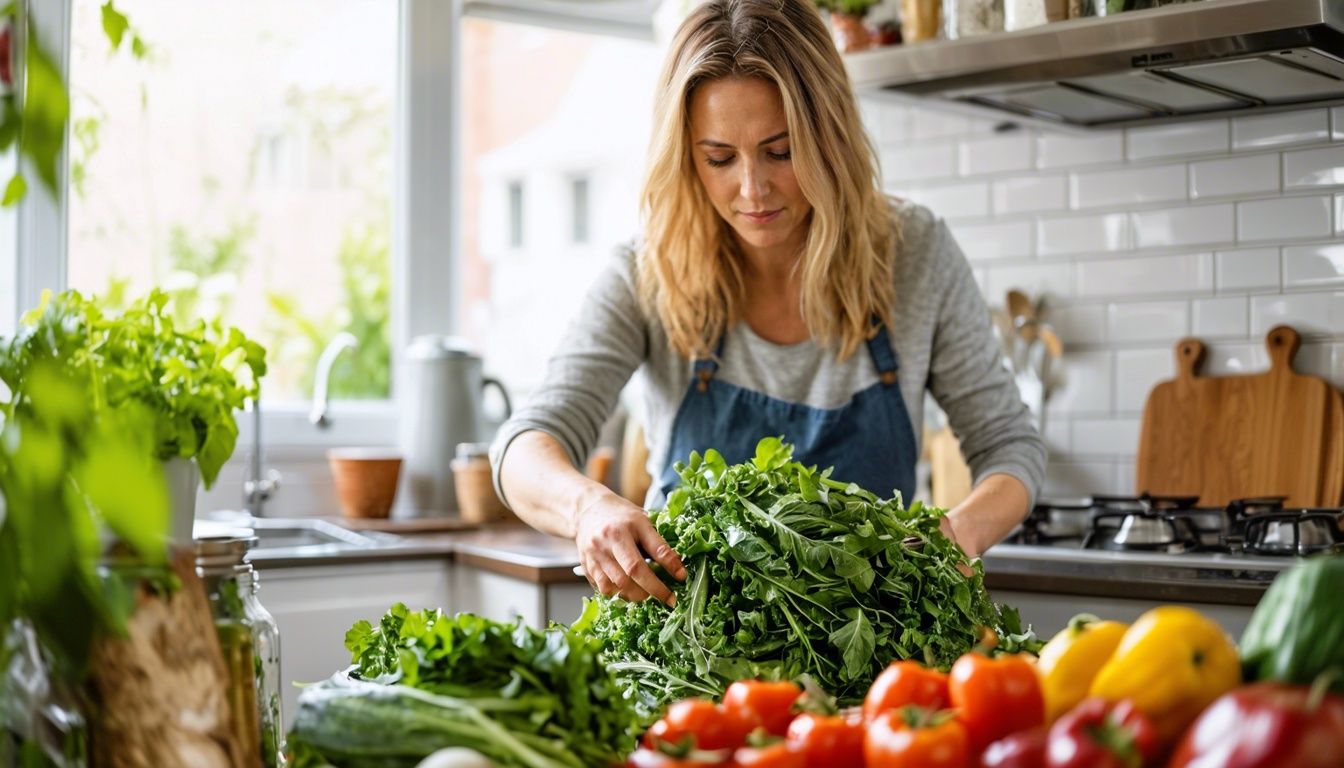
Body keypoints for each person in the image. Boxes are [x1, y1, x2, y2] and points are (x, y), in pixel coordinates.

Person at [490, 0, 1045, 608]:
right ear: (686, 156)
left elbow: (1009, 446)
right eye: (719, 158)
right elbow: (524, 444)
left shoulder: (913, 253)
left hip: (875, 651)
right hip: (694, 663)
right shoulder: (648, 272)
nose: (752, 189)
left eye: (781, 151)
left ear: (828, 137)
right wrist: (587, 506)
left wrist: (950, 539)